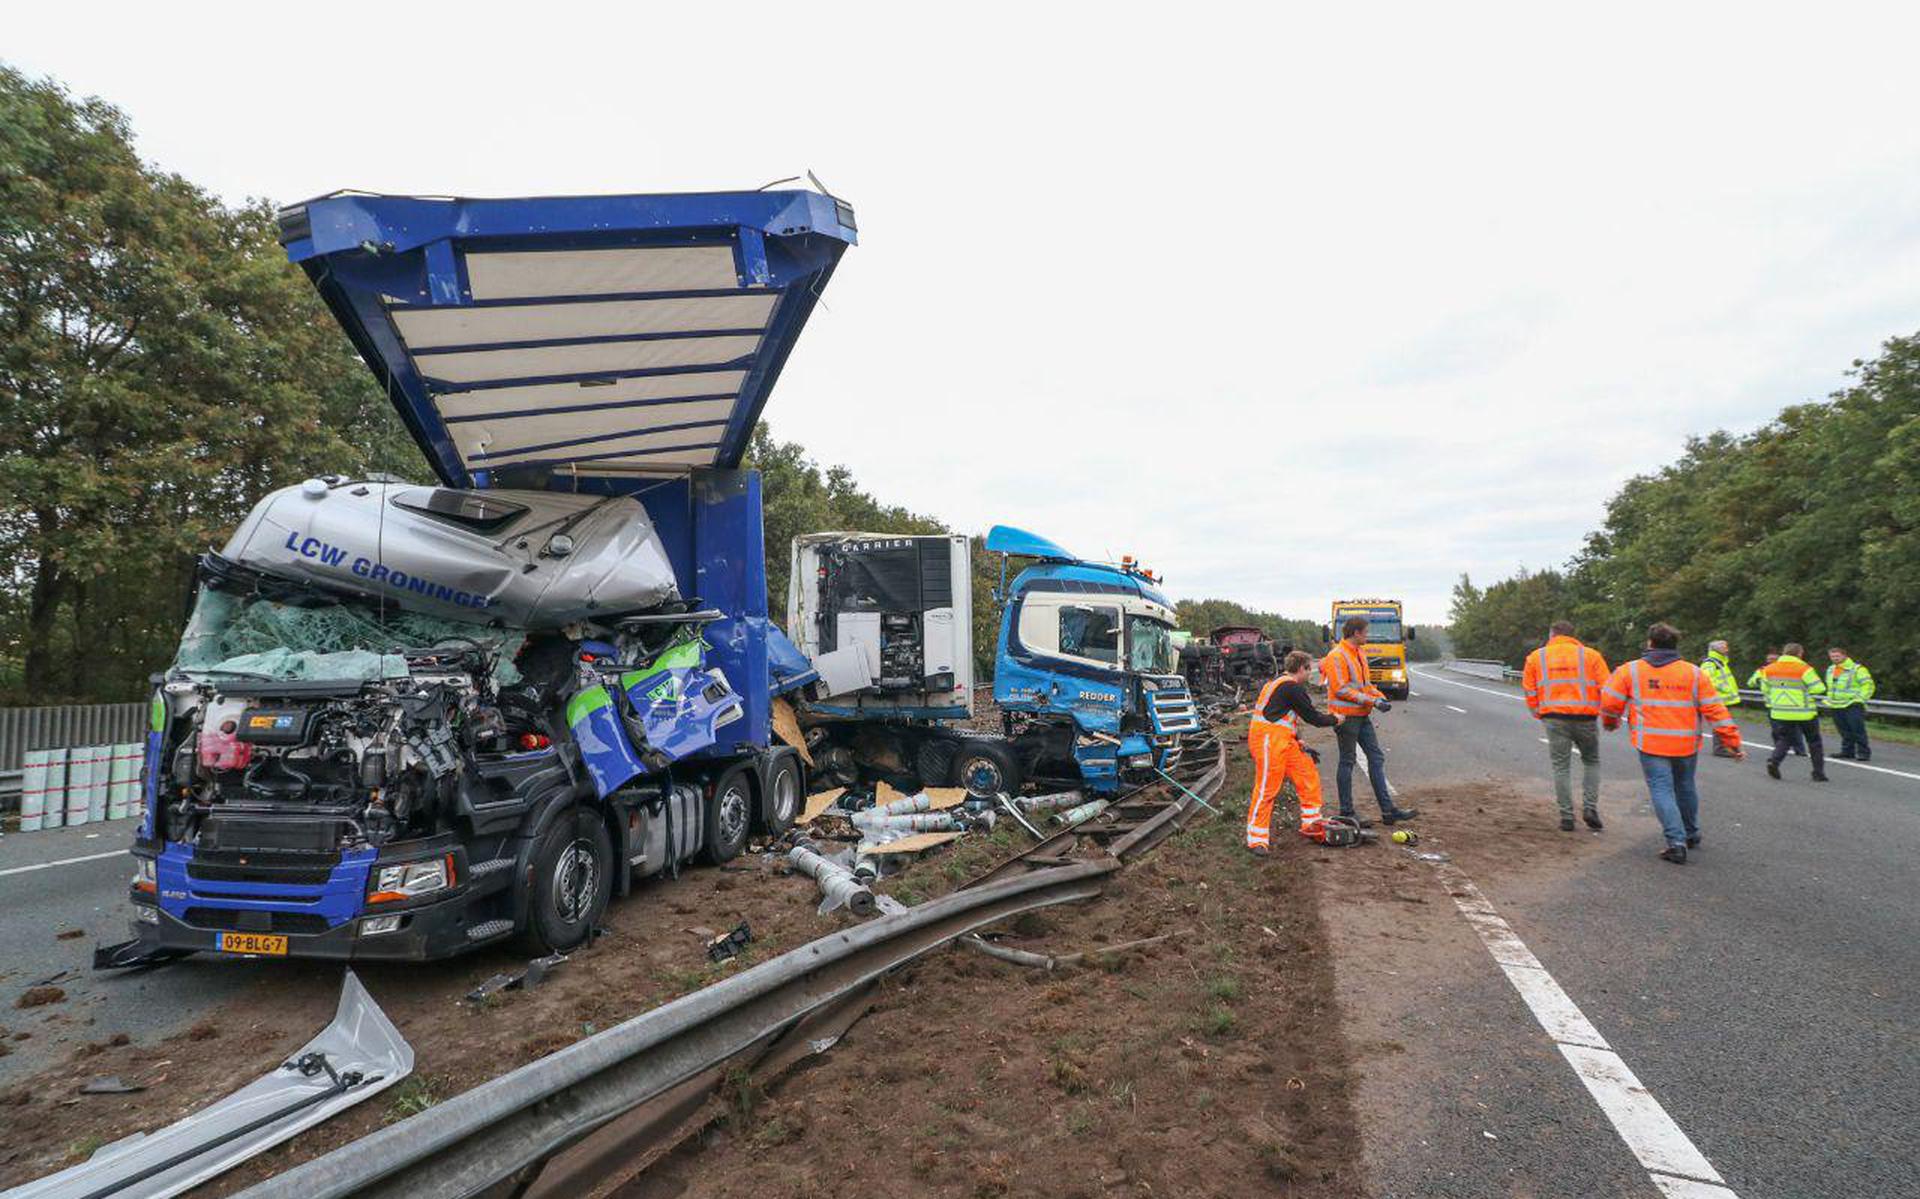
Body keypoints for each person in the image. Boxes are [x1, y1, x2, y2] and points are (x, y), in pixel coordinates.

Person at [1600, 622, 1743, 864]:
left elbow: (1610, 702)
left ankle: (1676, 843)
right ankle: (1691, 833)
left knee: (1661, 788)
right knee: (1685, 785)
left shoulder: (1630, 670)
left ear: (1649, 643)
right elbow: (1715, 709)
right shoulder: (1694, 673)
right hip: (1686, 744)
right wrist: (1733, 742)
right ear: (1676, 644)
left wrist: (1611, 722)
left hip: (1651, 743)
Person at [1322, 616, 1417, 826]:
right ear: (1356, 633)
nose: (1368, 636)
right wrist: (1372, 701)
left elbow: (1365, 684)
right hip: (1345, 717)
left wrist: (1379, 697)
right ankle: (1347, 812)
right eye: (1365, 632)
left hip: (1362, 715)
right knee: (1347, 761)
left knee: (1376, 758)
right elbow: (1341, 689)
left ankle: (1388, 811)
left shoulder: (1359, 653)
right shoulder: (1337, 655)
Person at [1245, 651, 1342, 854]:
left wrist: (1298, 739)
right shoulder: (1292, 687)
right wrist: (1336, 719)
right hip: (1268, 741)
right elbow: (1313, 717)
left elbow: (1282, 715)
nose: (1310, 674)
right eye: (1309, 669)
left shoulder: (1278, 684)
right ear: (1301, 668)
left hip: (1282, 740)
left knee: (1306, 773)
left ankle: (1311, 822)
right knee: (1267, 789)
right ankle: (1257, 839)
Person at [1522, 620, 1610, 831]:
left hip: (1553, 717)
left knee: (1561, 767)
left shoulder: (1536, 657)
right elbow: (1607, 687)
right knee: (1591, 761)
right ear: (1573, 635)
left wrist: (1537, 711)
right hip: (1586, 717)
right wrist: (1607, 714)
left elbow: (1529, 689)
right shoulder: (1591, 656)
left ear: (1552, 635)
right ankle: (1590, 807)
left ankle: (1567, 817)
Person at [1760, 643, 1828, 782]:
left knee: (1785, 739)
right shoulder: (1804, 668)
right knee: (1814, 742)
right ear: (1800, 653)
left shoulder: (1769, 669)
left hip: (1781, 712)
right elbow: (1818, 688)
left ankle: (1774, 761)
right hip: (1804, 711)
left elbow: (1765, 689)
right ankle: (1818, 773)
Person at [1824, 647, 1876, 762]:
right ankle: (1847, 751)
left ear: (1844, 655)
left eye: (1837, 656)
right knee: (1844, 730)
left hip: (1852, 704)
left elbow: (1868, 685)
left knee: (1857, 729)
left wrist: (1860, 699)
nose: (1835, 659)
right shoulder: (1831, 669)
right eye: (1832, 656)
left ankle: (1863, 752)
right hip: (1836, 704)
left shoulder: (1857, 669)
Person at [1699, 640, 1742, 759]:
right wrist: (1725, 688)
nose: (1727, 649)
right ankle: (1720, 748)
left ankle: (1724, 747)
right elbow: (1707, 680)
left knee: (1724, 724)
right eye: (1724, 647)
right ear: (1715, 649)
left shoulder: (1721, 662)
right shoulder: (1710, 663)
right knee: (1721, 724)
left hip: (1724, 699)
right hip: (1718, 698)